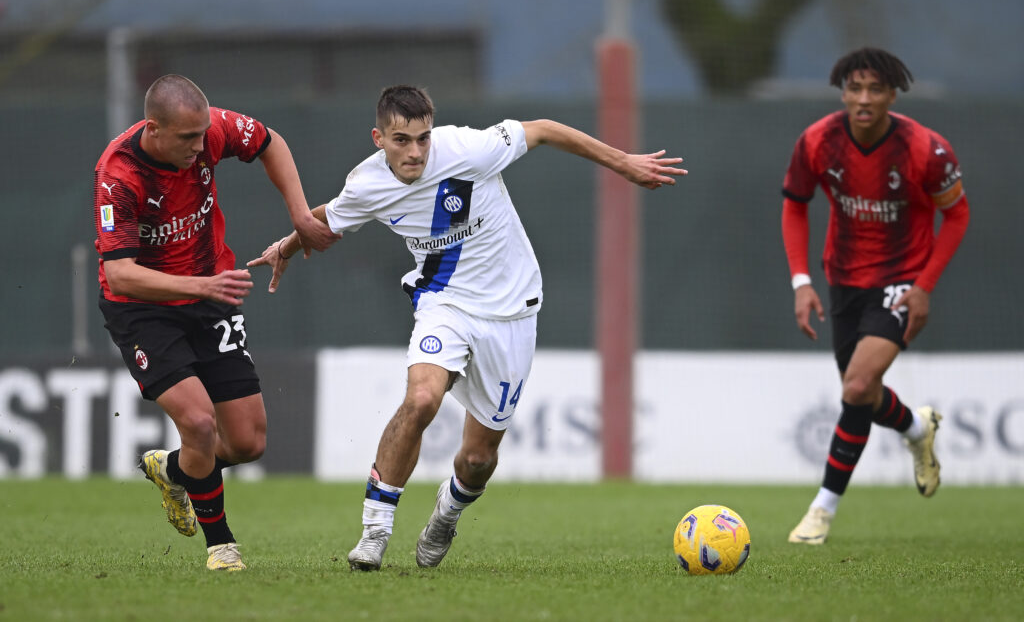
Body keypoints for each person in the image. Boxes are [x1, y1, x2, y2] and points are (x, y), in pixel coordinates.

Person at [248, 85, 686, 570]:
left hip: (512, 311)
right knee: (421, 400)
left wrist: (623, 162)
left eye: (422, 138)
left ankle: (447, 513)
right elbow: (329, 217)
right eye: (401, 140)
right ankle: (375, 530)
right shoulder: (367, 184)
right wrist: (284, 249)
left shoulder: (467, 149)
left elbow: (542, 130)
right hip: (444, 304)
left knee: (478, 460)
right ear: (378, 139)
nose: (415, 151)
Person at [93, 74, 338, 570]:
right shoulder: (119, 177)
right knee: (199, 422)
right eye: (188, 138)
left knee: (247, 442)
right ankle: (221, 547)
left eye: (204, 134)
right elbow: (120, 275)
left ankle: (173, 470)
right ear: (154, 129)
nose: (201, 146)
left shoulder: (208, 132)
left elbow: (270, 141)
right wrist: (198, 286)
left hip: (210, 295)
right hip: (145, 308)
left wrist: (299, 216)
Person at [781, 48, 970, 545]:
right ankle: (915, 429)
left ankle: (821, 511)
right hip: (842, 279)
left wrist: (924, 286)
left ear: (892, 94)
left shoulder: (926, 150)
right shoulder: (818, 141)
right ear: (842, 91)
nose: (863, 99)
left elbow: (957, 216)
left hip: (901, 279)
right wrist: (802, 282)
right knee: (861, 391)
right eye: (854, 88)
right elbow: (795, 207)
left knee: (857, 384)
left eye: (875, 90)